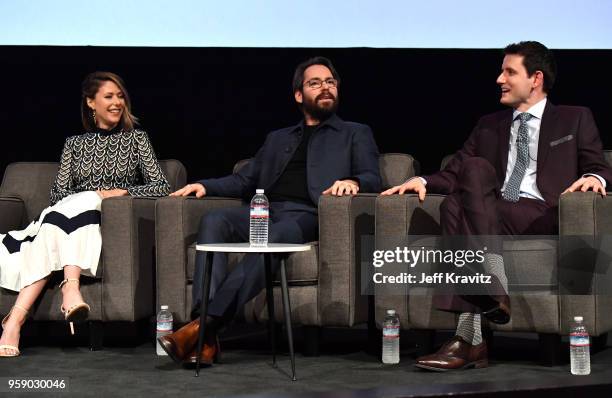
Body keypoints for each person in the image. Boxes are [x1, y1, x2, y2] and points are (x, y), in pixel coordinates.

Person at [382, 41, 612, 371]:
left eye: (509, 72)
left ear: (536, 78)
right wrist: (424, 182)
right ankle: (481, 311)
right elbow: (456, 168)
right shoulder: (489, 125)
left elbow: (599, 165)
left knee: (455, 208)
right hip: (492, 211)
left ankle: (469, 338)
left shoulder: (574, 119)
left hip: (539, 211)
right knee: (466, 182)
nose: (499, 79)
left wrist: (595, 178)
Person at [158, 56, 381, 365]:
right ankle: (205, 335)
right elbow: (244, 180)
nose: (325, 87)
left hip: (306, 215)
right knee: (214, 219)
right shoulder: (278, 138)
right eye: (315, 83)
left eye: (330, 82)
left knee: (277, 235)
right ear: (299, 95)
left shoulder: (355, 133)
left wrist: (353, 181)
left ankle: (199, 328)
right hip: (264, 209)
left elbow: (374, 176)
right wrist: (205, 186)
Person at [0, 71, 171, 357]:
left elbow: (161, 185)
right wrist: (88, 196)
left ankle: (15, 322)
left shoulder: (137, 140)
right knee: (73, 208)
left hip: (106, 218)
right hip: (66, 214)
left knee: (80, 209)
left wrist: (115, 193)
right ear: (91, 103)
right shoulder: (74, 144)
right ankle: (70, 290)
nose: (117, 102)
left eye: (120, 97)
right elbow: (57, 194)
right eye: (109, 96)